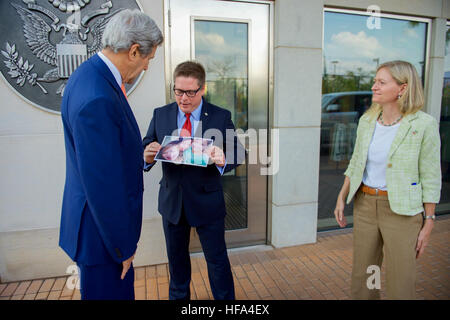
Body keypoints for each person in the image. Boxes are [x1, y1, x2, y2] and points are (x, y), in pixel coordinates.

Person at [59, 9, 163, 300]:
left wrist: (140, 158)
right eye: (148, 59)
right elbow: (102, 185)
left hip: (97, 231)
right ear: (133, 51)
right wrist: (122, 247)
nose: (145, 67)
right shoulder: (98, 96)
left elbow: (104, 158)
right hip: (103, 240)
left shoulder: (89, 75)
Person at [333, 60, 441, 299]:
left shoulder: (424, 125)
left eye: (381, 82)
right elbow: (356, 162)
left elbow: (431, 175)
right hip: (365, 205)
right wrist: (342, 196)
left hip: (402, 212)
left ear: (402, 88)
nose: (374, 87)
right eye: (374, 81)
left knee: (400, 280)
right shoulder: (367, 121)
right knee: (365, 275)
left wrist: (429, 220)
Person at [143, 61, 245, 300]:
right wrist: (147, 154)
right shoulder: (161, 114)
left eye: (190, 92)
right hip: (172, 203)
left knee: (217, 263)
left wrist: (222, 158)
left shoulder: (220, 117)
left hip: (207, 202)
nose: (183, 99)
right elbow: (147, 144)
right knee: (177, 266)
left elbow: (238, 153)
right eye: (178, 91)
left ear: (202, 89)